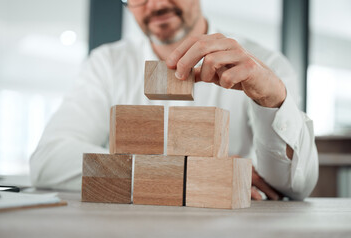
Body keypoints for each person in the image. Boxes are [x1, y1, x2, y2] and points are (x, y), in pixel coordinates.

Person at [30, 0, 318, 200]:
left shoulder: (264, 64)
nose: (155, 5)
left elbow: (297, 186)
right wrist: (184, 174)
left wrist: (272, 100)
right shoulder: (107, 63)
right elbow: (49, 160)